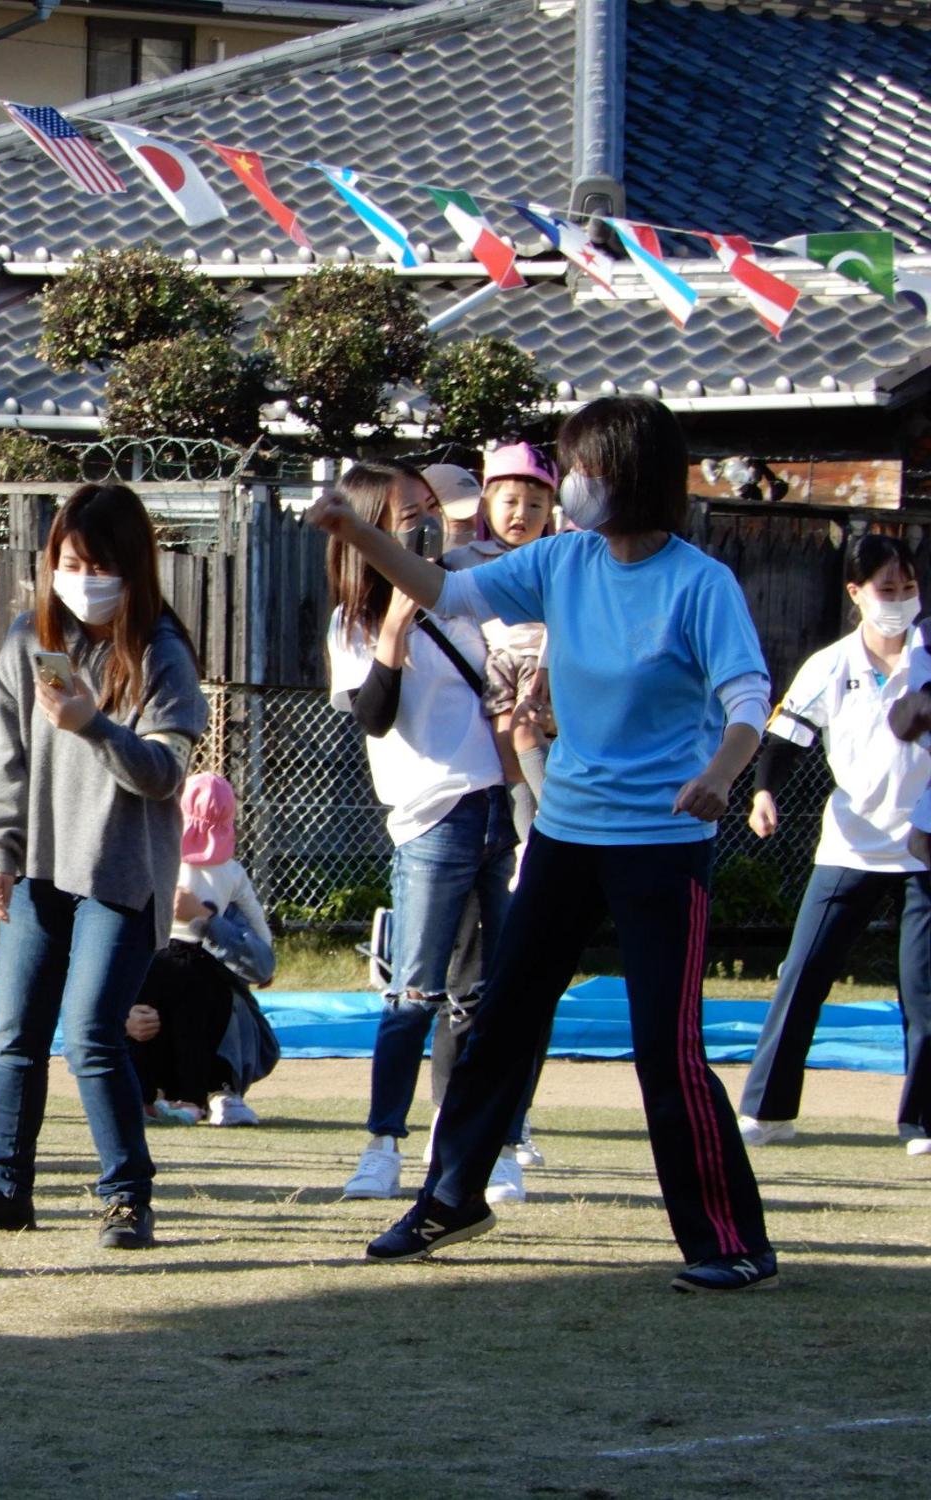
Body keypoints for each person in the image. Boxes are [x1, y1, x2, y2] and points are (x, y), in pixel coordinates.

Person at [310, 394, 779, 1293]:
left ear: (630, 476)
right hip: (564, 832)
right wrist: (350, 528)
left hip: (661, 843)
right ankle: (453, 1196)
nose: (568, 487)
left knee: (666, 1048)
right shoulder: (564, 561)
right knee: (501, 1017)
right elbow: (444, 589)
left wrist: (723, 772)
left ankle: (730, 1242)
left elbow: (748, 698)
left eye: (582, 469)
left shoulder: (699, 583)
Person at [0, 483, 208, 1251]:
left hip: (120, 875)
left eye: (99, 564)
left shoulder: (162, 653)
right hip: (40, 871)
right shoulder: (29, 640)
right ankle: (5, 1187)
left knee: (91, 1034)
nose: (82, 579)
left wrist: (93, 726)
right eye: (68, 562)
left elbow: (164, 773)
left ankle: (126, 1196)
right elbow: (1, 760)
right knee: (15, 1034)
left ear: (134, 567)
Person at [324, 462, 521, 1206]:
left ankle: (484, 1146)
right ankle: (382, 1146)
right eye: (405, 514)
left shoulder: (465, 595)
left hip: (495, 802)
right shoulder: (354, 621)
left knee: (487, 995)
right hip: (428, 815)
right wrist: (397, 630)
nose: (423, 523)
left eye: (426, 510)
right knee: (413, 991)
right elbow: (373, 716)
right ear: (370, 524)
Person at [743, 535, 931, 1153]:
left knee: (924, 988)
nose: (899, 601)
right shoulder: (829, 664)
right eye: (886, 589)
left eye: (908, 588)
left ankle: (921, 1122)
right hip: (849, 845)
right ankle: (768, 1111)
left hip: (925, 848)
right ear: (855, 594)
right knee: (802, 974)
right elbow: (784, 740)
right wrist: (764, 793)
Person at [125, 772, 277, 1127]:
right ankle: (182, 1095)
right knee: (144, 1011)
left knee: (194, 999)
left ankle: (209, 1088)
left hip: (188, 966)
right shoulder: (232, 873)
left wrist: (206, 919)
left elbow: (263, 961)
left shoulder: (154, 856)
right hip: (163, 962)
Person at [445, 443, 559, 842]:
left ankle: (562, 824)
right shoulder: (472, 556)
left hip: (539, 662)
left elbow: (563, 619)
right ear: (487, 505)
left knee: (528, 734)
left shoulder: (554, 558)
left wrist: (546, 664)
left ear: (549, 513)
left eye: (535, 506)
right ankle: (530, 842)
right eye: (510, 501)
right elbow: (437, 578)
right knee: (506, 750)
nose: (521, 514)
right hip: (498, 663)